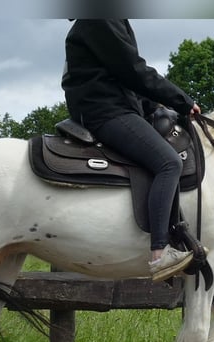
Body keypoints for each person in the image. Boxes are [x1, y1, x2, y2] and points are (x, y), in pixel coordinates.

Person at [61, 19, 202, 282]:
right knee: (169, 162)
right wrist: (181, 100)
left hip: (111, 107)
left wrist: (159, 108)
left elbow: (125, 80)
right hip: (105, 112)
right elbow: (134, 70)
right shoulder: (100, 17)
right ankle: (161, 253)